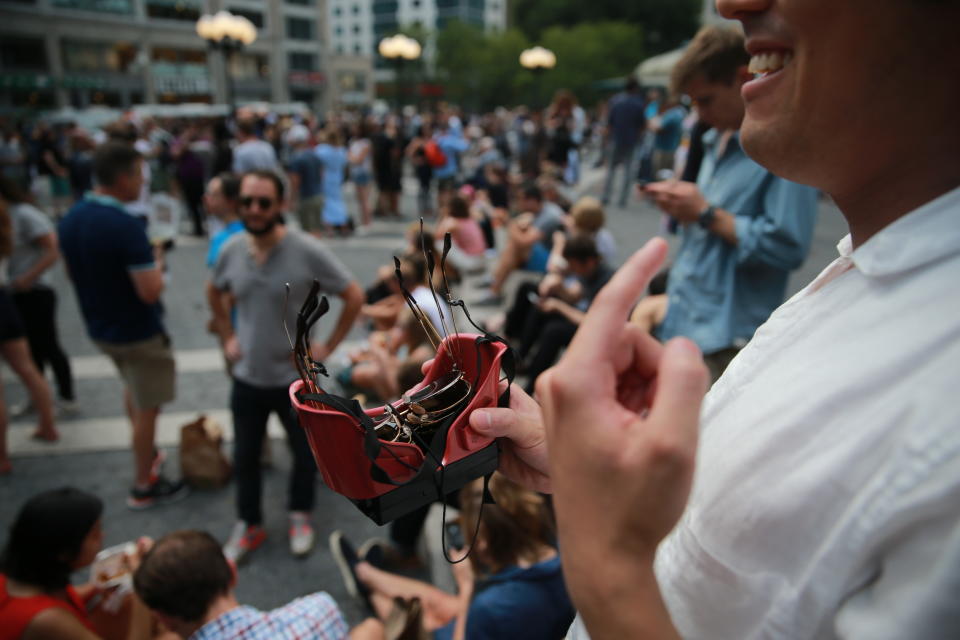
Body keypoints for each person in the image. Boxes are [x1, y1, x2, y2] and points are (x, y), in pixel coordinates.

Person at [461, 0, 960, 637]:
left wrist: (604, 557)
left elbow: (774, 244)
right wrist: (591, 471)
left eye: (703, 99)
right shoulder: (872, 278)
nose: (732, 4)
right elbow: (747, 534)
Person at [643, 26, 818, 381]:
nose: (699, 112)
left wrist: (705, 213)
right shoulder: (713, 139)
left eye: (705, 99)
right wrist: (686, 208)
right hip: (686, 324)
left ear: (743, 77)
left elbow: (788, 246)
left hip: (726, 341)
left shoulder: (781, 148)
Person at [208, 169, 363, 563]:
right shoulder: (231, 249)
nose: (255, 209)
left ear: (281, 205)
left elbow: (353, 295)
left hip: (296, 381)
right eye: (247, 202)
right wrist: (228, 334)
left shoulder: (305, 250)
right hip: (247, 378)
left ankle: (300, 514)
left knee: (304, 453)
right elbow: (215, 290)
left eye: (264, 202)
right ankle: (249, 523)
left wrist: (327, 346)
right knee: (244, 457)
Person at [58, 142, 185, 509]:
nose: (143, 181)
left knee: (134, 391)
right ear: (125, 176)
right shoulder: (125, 225)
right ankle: (143, 483)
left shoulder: (72, 218)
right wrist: (158, 259)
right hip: (138, 331)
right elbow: (149, 291)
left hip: (100, 327)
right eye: (140, 174)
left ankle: (146, 455)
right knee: (150, 408)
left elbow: (70, 273)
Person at [331, 474, 575, 640]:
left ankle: (367, 586)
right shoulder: (564, 555)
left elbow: (482, 615)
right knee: (439, 603)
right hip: (520, 626)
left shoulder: (491, 606)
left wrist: (467, 587)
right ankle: (365, 575)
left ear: (484, 544)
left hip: (481, 627)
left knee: (401, 622)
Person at [133, 530, 380, 640]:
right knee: (371, 628)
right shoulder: (318, 612)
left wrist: (151, 577)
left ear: (162, 618)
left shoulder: (165, 623)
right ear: (232, 573)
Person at [0, 487, 155, 640]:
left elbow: (65, 596)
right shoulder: (48, 620)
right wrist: (140, 589)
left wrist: (105, 580)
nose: (103, 535)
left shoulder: (16, 577)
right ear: (64, 553)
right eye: (94, 534)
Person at [0, 175, 74, 417]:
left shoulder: (22, 214)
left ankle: (66, 396)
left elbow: (53, 249)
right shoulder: (12, 212)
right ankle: (39, 400)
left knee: (48, 345)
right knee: (31, 351)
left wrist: (28, 278)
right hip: (16, 291)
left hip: (36, 291)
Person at [476, 184, 564, 305]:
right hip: (545, 253)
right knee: (514, 244)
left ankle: (495, 285)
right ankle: (495, 281)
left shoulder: (549, 216)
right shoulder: (541, 210)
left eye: (521, 199)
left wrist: (508, 222)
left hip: (552, 261)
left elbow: (524, 241)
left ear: (532, 200)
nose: (518, 203)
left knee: (516, 246)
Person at [600, 77, 645, 208]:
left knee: (610, 170)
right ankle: (622, 199)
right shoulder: (638, 103)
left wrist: (606, 140)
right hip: (631, 141)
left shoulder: (615, 101)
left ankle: (606, 196)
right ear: (635, 88)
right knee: (628, 171)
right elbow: (642, 125)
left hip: (615, 139)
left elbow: (609, 123)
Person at [286, 124, 325, 235]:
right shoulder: (314, 155)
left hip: (305, 198)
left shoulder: (296, 158)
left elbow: (295, 182)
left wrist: (291, 200)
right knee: (317, 229)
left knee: (307, 231)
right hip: (318, 195)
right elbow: (321, 174)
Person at [314, 128, 352, 235]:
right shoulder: (341, 150)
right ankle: (343, 226)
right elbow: (345, 164)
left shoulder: (322, 150)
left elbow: (317, 164)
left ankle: (329, 228)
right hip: (337, 177)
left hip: (325, 177)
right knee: (338, 201)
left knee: (327, 203)